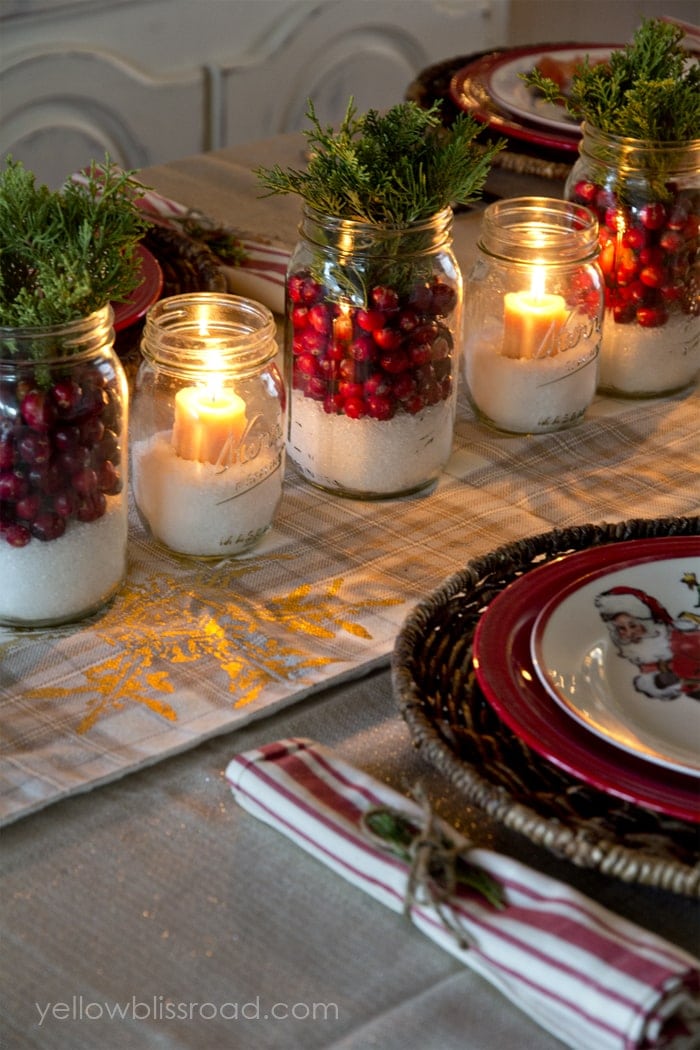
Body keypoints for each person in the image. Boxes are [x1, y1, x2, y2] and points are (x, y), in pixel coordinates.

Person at [594, 585, 700, 701]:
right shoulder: (644, 658)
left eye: (633, 626)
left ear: (646, 624)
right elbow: (653, 680)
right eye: (622, 629)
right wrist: (659, 682)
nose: (630, 633)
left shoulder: (681, 637)